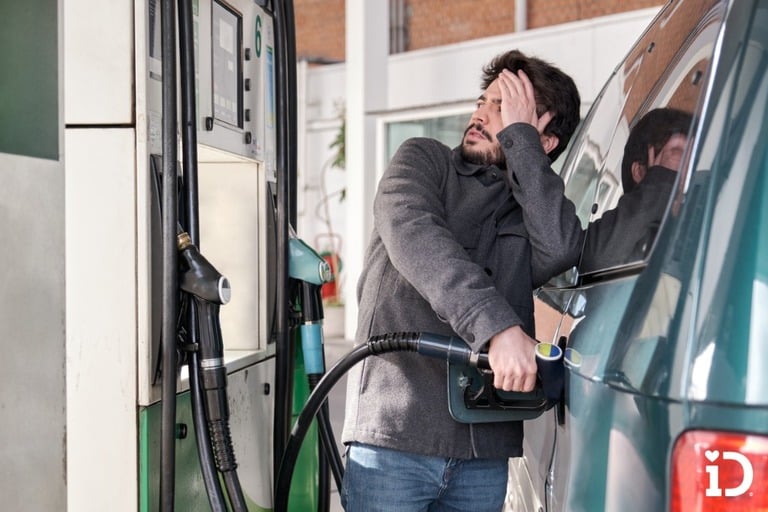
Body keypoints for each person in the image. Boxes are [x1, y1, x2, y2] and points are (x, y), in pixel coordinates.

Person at [340, 49, 583, 511]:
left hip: (483, 450)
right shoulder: (422, 159)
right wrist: (497, 328)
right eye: (483, 101)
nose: (480, 114)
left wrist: (520, 143)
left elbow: (561, 247)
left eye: (502, 107)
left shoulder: (530, 208)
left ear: (542, 139)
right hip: (395, 435)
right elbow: (414, 232)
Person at [580, 107, 693, 272]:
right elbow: (598, 262)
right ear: (640, 172)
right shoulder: (629, 242)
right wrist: (660, 183)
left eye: (695, 157)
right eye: (678, 155)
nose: (689, 169)